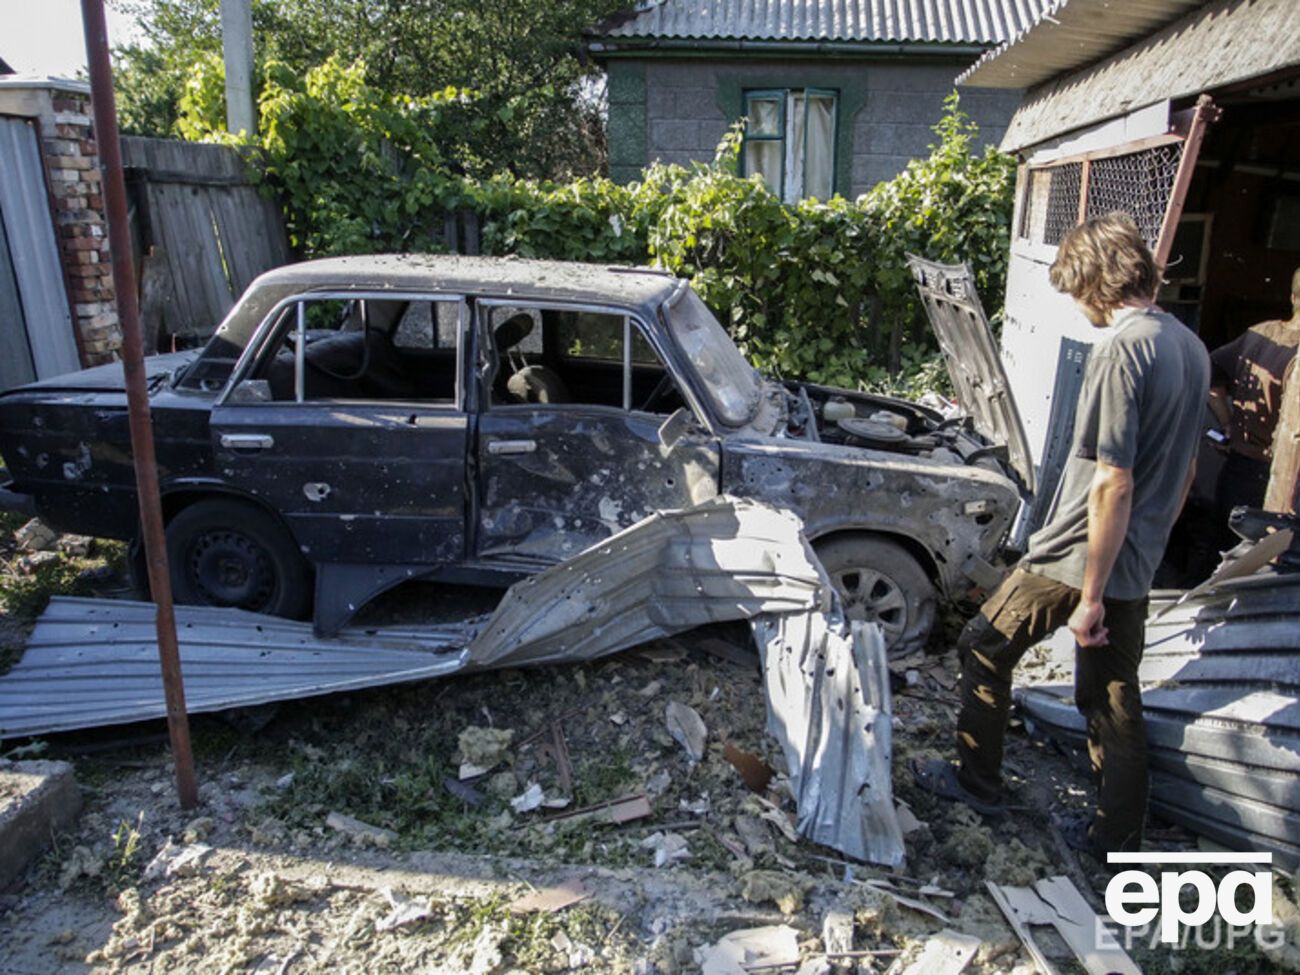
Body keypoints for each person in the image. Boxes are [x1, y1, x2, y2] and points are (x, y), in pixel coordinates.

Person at [913, 212, 1210, 856]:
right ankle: (1116, 836)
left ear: (1096, 280)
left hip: (1080, 554)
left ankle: (977, 784)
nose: (1078, 309)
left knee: (984, 645)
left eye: (1077, 293)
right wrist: (1145, 549)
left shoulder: (1120, 349)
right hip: (1131, 556)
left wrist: (1092, 594)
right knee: (1110, 697)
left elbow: (1112, 481)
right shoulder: (1189, 346)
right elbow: (1185, 469)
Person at [1207, 268, 1300, 519]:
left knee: (1227, 550)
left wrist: (1227, 423)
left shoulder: (1260, 335)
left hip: (1239, 467)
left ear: (1293, 298)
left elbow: (1208, 374)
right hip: (1283, 477)